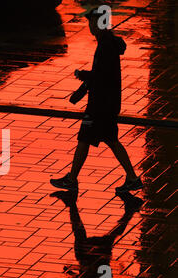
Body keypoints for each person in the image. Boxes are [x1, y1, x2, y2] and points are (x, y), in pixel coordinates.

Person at [50, 8, 143, 193]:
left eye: (92, 22)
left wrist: (83, 76)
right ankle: (131, 178)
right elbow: (103, 75)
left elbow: (102, 76)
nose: (90, 26)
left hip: (101, 105)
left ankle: (73, 180)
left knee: (93, 139)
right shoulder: (107, 42)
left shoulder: (105, 45)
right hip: (105, 103)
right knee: (101, 139)